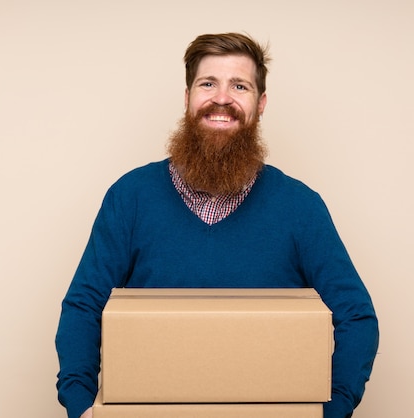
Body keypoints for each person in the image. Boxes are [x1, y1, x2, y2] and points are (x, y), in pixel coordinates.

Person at [55, 32, 379, 418]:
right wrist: (80, 405)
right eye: (207, 83)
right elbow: (83, 305)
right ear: (187, 97)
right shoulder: (130, 198)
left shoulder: (299, 207)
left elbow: (357, 316)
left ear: (260, 105)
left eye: (239, 86)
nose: (221, 98)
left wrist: (332, 409)